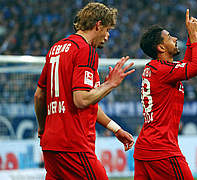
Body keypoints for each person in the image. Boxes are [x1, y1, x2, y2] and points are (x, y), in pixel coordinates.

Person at [34, 2, 135, 179]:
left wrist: (116, 129)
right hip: (74, 144)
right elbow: (81, 100)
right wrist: (110, 84)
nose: (107, 36)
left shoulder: (55, 49)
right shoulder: (85, 50)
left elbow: (39, 95)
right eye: (107, 29)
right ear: (98, 25)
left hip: (51, 145)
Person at [133, 9, 197, 180]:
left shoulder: (158, 69)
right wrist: (194, 36)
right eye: (169, 38)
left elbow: (189, 64)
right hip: (162, 149)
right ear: (160, 47)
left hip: (146, 148)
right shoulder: (163, 70)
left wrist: (191, 36)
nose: (175, 39)